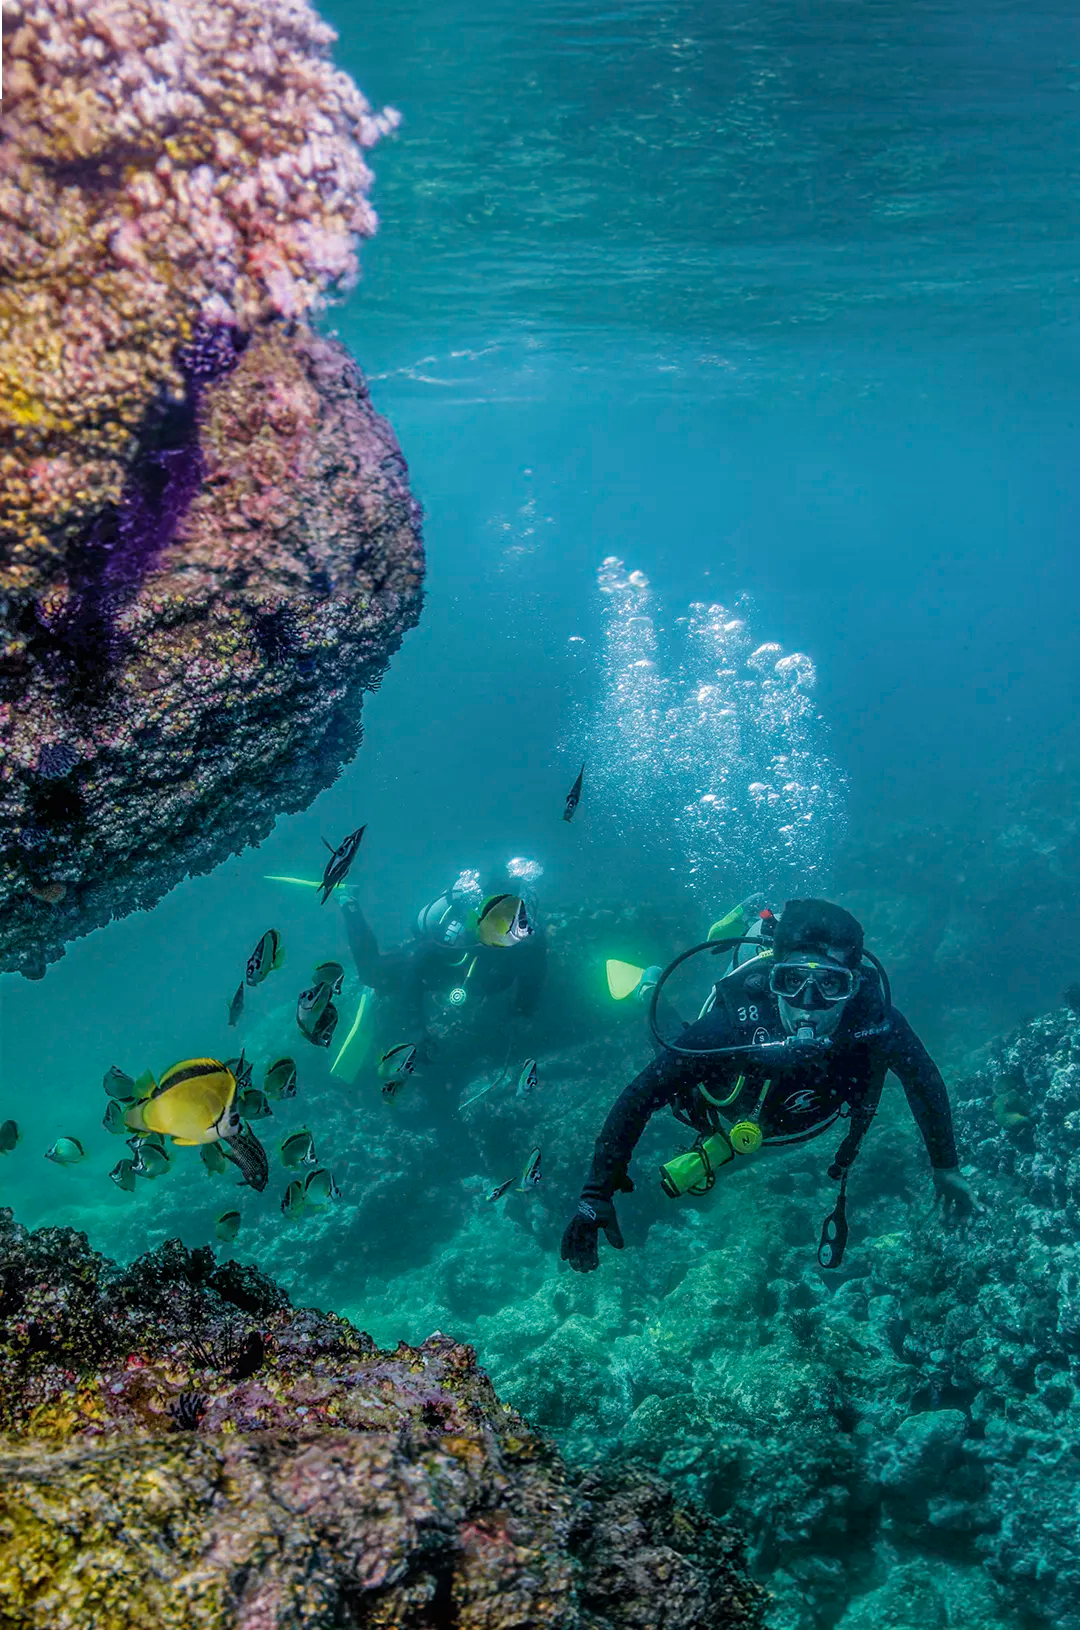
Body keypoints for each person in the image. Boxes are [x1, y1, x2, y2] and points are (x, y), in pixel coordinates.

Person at [561, 898, 977, 1274]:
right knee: (674, 1063)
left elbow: (923, 1082)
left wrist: (946, 1166)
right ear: (773, 978)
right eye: (791, 981)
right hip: (725, 1099)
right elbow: (642, 1094)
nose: (807, 1003)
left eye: (830, 985)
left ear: (853, 984)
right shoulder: (735, 1023)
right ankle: (647, 986)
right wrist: (595, 1190)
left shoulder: (876, 1023)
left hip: (782, 1118)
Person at [342, 867, 547, 1061]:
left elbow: (534, 973)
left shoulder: (528, 942)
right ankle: (348, 901)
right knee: (371, 975)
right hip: (432, 970)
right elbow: (418, 963)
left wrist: (523, 1012)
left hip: (456, 980)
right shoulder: (467, 930)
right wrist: (416, 1028)